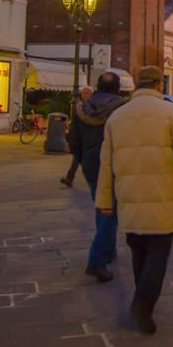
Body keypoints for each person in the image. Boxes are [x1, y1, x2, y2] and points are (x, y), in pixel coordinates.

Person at [96, 65, 173, 335]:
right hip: (162, 195)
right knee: (158, 253)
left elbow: (105, 164)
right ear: (160, 85)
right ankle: (143, 304)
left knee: (138, 249)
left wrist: (105, 200)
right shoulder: (171, 114)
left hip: (129, 196)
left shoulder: (117, 117)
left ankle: (142, 299)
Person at [76, 72, 127, 282]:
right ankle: (96, 261)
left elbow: (73, 139)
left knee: (101, 205)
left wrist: (81, 159)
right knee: (109, 210)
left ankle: (108, 247)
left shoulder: (82, 107)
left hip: (89, 160)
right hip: (111, 160)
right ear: (117, 88)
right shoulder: (122, 108)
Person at [61, 86, 93, 187]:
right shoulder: (78, 107)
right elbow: (74, 123)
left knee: (86, 160)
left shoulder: (94, 106)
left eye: (87, 93)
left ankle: (93, 179)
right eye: (84, 93)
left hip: (90, 137)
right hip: (80, 137)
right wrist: (71, 135)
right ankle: (70, 178)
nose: (85, 95)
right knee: (77, 158)